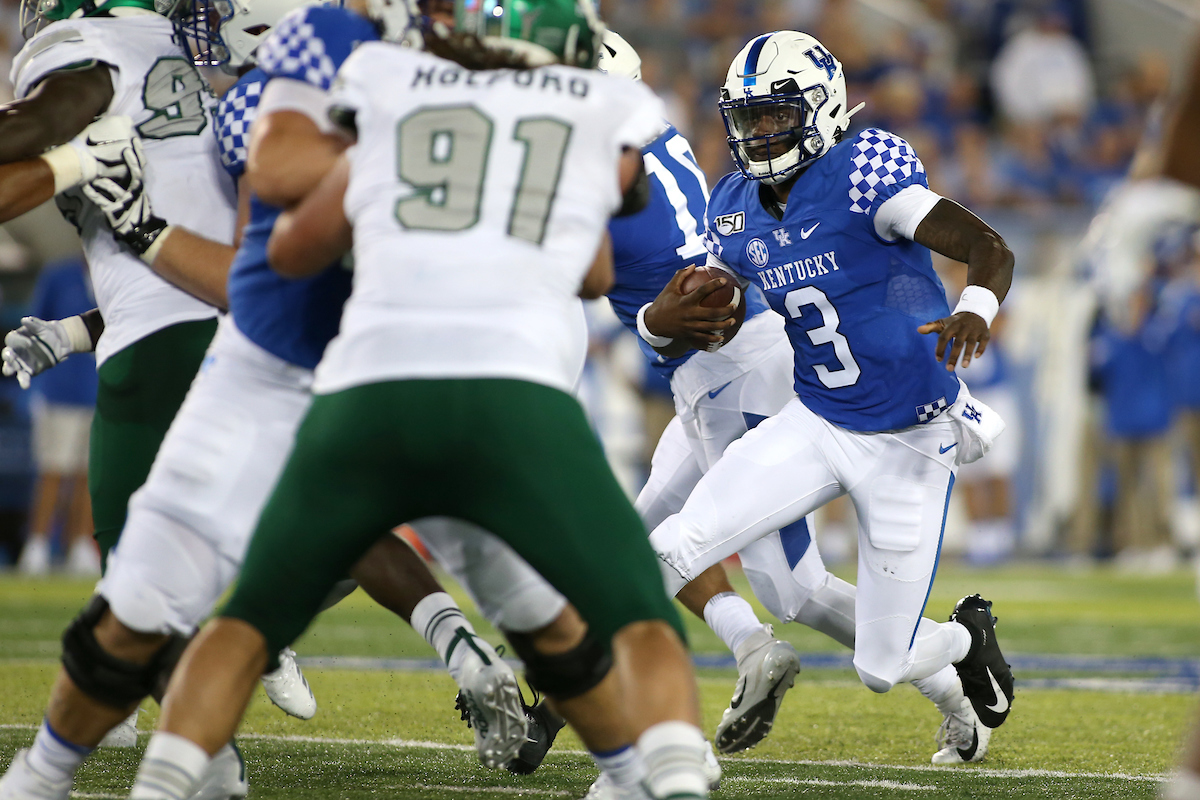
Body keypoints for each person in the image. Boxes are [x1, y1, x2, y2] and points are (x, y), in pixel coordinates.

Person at [124, 4, 714, 800]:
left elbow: (293, 250)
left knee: (247, 623)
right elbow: (596, 274)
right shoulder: (590, 110)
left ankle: (161, 787)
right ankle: (673, 775)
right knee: (634, 610)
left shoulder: (389, 90)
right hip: (510, 387)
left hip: (373, 388)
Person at [599, 30, 991, 768]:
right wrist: (678, 313)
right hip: (811, 415)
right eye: (747, 118)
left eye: (775, 115)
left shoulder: (866, 169)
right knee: (662, 549)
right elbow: (715, 297)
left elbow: (985, 245)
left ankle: (961, 645)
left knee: (869, 659)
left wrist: (976, 306)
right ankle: (650, 746)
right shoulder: (734, 200)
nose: (759, 133)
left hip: (899, 430)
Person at [17, 257, 99, 576]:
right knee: (53, 471)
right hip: (60, 393)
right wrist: (36, 385)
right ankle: (37, 545)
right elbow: (35, 327)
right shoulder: (59, 277)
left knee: (87, 475)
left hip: (100, 391)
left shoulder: (116, 273)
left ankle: (80, 544)